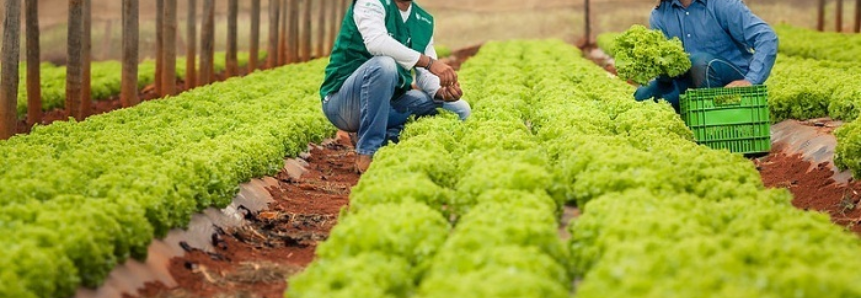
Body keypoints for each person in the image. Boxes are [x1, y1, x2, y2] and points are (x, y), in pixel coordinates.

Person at [320, 0, 471, 173]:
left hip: (388, 104)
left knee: (460, 109)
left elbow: (426, 76)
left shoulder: (423, 20)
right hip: (343, 104)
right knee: (384, 65)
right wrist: (428, 62)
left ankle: (388, 139)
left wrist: (440, 91)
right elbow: (376, 42)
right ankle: (367, 151)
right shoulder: (371, 3)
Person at [634, 0, 778, 111]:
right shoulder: (659, 14)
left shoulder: (721, 4)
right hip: (690, 80)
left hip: (730, 76)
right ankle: (692, 125)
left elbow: (766, 36)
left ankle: (717, 124)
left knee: (701, 63)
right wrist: (658, 67)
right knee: (643, 95)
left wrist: (750, 81)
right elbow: (667, 74)